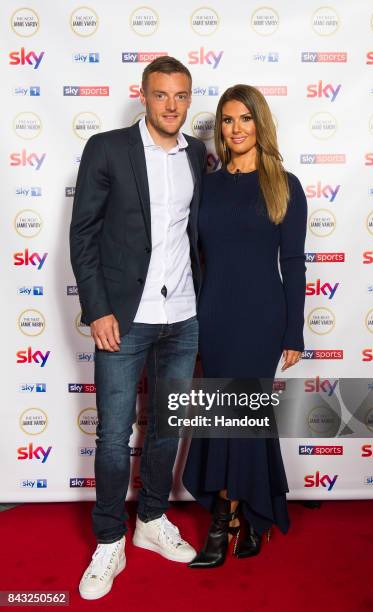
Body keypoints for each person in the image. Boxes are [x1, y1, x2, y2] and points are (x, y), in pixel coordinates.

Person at [69, 56, 207, 599]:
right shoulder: (106, 148)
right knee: (112, 435)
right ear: (143, 96)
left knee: (167, 429)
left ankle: (151, 520)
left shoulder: (198, 155)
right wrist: (97, 308)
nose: (172, 106)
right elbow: (83, 235)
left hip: (184, 318)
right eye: (161, 95)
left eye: (181, 96)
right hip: (123, 320)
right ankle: (109, 540)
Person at [183, 84, 307, 568]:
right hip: (213, 314)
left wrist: (293, 331)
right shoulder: (207, 186)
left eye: (245, 119)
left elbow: (293, 263)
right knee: (231, 417)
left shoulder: (283, 183)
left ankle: (221, 519)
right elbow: (193, 256)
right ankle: (255, 516)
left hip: (261, 316)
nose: (236, 129)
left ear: (260, 123)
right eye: (228, 120)